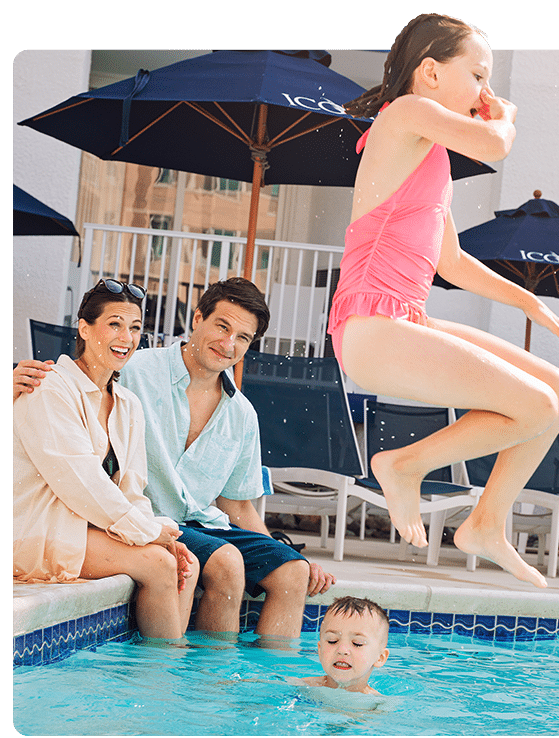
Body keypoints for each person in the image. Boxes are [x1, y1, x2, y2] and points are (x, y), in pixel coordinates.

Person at [328, 14, 559, 588]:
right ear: (432, 72)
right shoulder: (406, 114)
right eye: (478, 76)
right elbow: (495, 146)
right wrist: (506, 116)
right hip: (372, 326)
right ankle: (402, 465)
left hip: (400, 323)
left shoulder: (429, 155)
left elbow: (452, 263)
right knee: (534, 406)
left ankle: (487, 523)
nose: (485, 93)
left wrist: (529, 304)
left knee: (557, 394)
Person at [14, 277, 335, 639]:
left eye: (242, 338)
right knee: (220, 562)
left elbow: (236, 505)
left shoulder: (232, 413)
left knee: (294, 572)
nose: (229, 344)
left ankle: (256, 680)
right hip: (126, 521)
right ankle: (191, 672)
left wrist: (286, 552)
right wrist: (152, 533)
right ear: (197, 319)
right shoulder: (131, 371)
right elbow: (75, 469)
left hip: (181, 523)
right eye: (222, 326)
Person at [13, 279, 198, 641]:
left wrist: (156, 533)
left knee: (183, 561)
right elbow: (80, 482)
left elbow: (132, 488)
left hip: (89, 528)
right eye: (114, 324)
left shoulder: (128, 403)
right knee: (160, 564)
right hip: (39, 530)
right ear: (84, 327)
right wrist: (148, 534)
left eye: (134, 328)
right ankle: (163, 676)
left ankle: (164, 669)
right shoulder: (48, 387)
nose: (126, 338)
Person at [299, 596, 390, 695]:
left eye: (357, 643)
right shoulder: (301, 686)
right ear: (320, 650)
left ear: (380, 658)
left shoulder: (378, 705)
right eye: (332, 641)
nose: (342, 650)